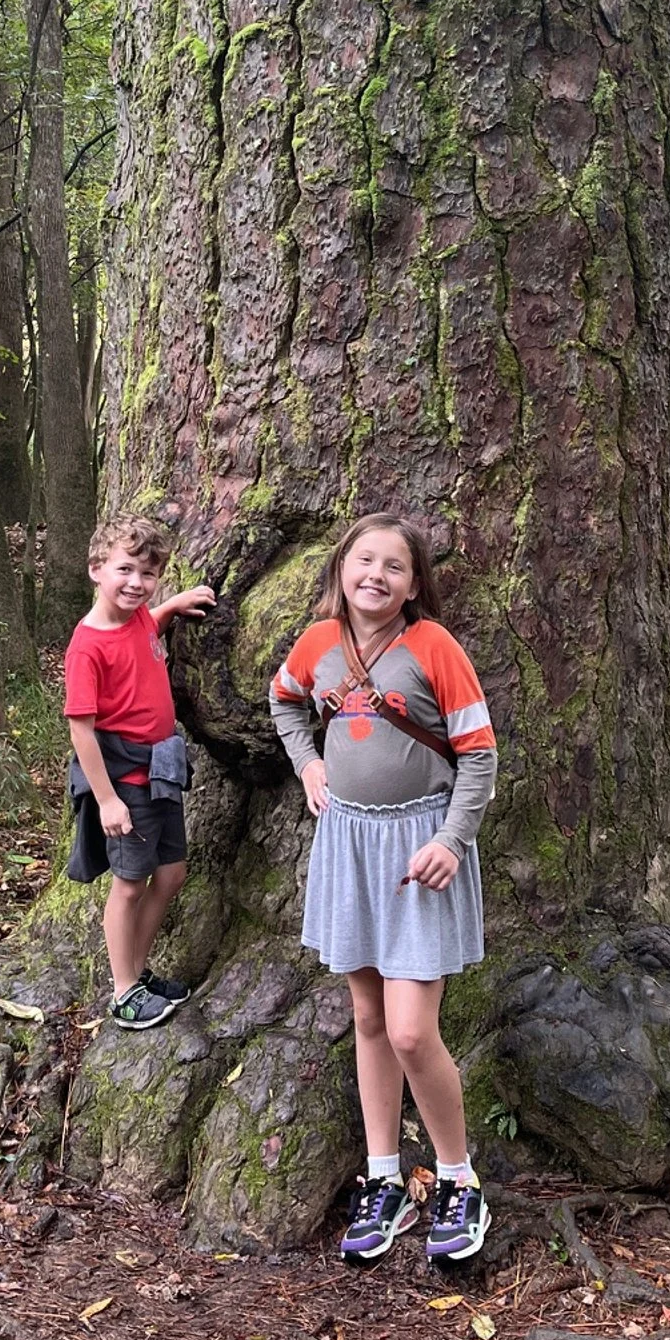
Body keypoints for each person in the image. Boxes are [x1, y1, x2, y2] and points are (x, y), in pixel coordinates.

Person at [270, 514, 497, 1265]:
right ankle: (383, 1180)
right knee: (367, 1017)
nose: (376, 575)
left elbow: (479, 754)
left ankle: (460, 1180)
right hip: (348, 844)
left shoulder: (434, 648)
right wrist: (307, 762)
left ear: (414, 584)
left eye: (394, 566)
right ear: (341, 568)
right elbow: (284, 701)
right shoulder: (316, 644)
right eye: (364, 560)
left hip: (417, 849)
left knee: (408, 1029)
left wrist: (449, 841)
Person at [65, 513, 217, 1030]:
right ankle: (123, 990)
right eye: (125, 570)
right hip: (126, 781)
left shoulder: (138, 620)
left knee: (171, 874)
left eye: (148, 575)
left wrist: (172, 605)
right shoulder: (87, 645)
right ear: (95, 570)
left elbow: (148, 625)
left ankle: (138, 970)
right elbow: (82, 731)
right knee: (129, 884)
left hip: (161, 772)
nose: (136, 583)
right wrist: (107, 800)